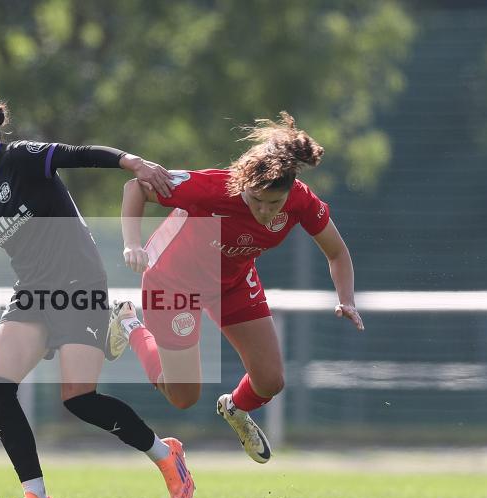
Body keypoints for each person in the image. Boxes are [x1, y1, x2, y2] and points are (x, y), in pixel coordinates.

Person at [0, 98, 195, 498]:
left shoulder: (23, 157)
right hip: (32, 292)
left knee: (78, 398)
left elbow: (79, 155)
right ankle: (36, 495)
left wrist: (133, 163)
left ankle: (165, 455)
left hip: (79, 284)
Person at [107, 112, 364, 463]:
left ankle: (235, 409)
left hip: (231, 282)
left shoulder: (301, 202)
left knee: (271, 381)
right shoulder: (213, 189)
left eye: (273, 204)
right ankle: (128, 322)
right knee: (183, 396)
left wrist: (346, 299)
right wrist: (131, 244)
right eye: (256, 200)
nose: (263, 211)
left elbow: (337, 252)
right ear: (243, 183)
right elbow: (134, 187)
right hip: (173, 281)